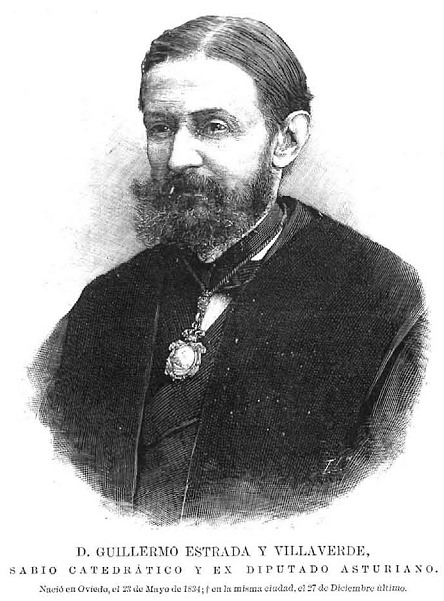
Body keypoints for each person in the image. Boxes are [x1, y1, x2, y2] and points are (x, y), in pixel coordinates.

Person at [32, 16, 427, 525]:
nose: (178, 158)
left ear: (286, 140)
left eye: (213, 127)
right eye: (161, 128)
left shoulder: (382, 299)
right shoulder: (109, 300)